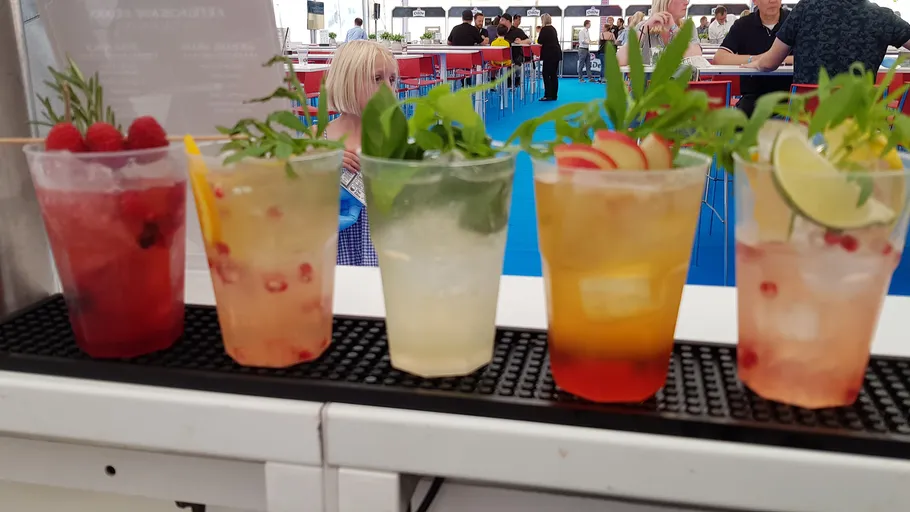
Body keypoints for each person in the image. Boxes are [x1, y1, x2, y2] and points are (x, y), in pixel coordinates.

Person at [324, 41, 398, 266]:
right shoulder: (316, 141)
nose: (389, 89)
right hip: (333, 253)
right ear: (347, 81)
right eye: (377, 79)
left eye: (392, 80)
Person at [745, 0, 910, 85]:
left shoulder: (805, 8)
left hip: (808, 120)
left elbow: (769, 63)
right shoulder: (884, 17)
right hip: (858, 124)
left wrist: (754, 62)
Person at [714, 0, 793, 117]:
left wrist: (772, 59)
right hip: (753, 97)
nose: (772, 1)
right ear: (755, 1)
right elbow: (719, 58)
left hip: (791, 97)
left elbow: (809, 56)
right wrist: (757, 59)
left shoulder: (794, 21)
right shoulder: (743, 25)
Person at [618, 0, 702, 66]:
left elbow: (696, 57)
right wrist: (644, 28)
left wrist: (674, 28)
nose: (687, 2)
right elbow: (620, 60)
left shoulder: (688, 27)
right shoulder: (643, 27)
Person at [537, 12, 562, 100]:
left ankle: (548, 95)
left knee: (546, 74)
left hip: (549, 55)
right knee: (553, 75)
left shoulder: (544, 29)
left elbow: (540, 41)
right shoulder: (553, 29)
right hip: (556, 53)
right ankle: (554, 95)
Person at [500, 13, 530, 82]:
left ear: (508, 21)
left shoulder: (518, 31)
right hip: (502, 59)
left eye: (502, 20)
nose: (500, 22)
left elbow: (528, 41)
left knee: (515, 65)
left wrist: (521, 42)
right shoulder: (499, 31)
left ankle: (515, 78)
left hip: (515, 58)